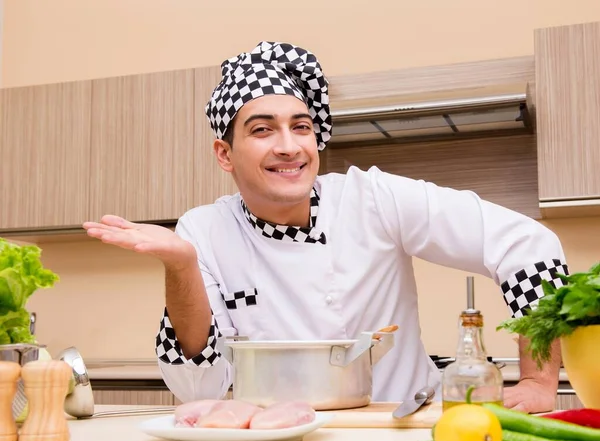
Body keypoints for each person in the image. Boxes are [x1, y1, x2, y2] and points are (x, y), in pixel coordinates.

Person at [83, 41, 568, 413]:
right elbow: (198, 386)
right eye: (262, 129)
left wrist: (539, 380)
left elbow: (529, 245)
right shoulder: (204, 231)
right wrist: (181, 264)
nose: (289, 145)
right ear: (224, 154)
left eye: (301, 126)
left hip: (399, 427)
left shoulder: (371, 197)